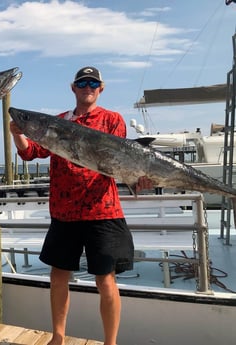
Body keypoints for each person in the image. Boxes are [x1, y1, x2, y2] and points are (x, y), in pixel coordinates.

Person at [10, 66, 150, 345]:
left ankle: (110, 342)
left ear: (101, 88)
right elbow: (30, 152)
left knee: (105, 279)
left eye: (93, 83)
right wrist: (18, 131)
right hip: (65, 212)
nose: (88, 87)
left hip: (103, 210)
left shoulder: (112, 119)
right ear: (73, 88)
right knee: (59, 276)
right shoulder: (56, 122)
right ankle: (58, 336)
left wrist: (138, 177)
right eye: (82, 82)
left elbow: (121, 158)